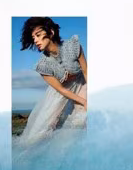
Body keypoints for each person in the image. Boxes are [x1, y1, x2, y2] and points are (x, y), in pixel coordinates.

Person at [17, 17, 88, 145]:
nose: (36, 40)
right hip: (59, 93)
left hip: (82, 84)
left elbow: (86, 72)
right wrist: (83, 100)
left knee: (81, 120)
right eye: (33, 38)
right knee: (39, 132)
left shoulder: (73, 46)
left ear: (51, 32)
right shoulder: (43, 65)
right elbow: (61, 89)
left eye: (38, 35)